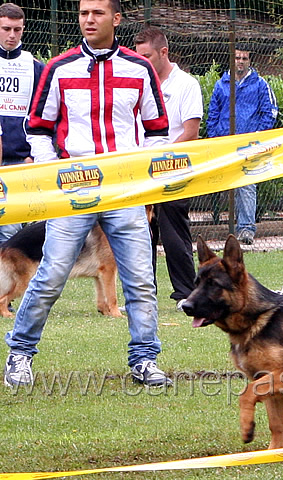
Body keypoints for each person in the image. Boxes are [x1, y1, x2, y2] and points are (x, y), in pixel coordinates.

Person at [4, 0, 172, 388]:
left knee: (140, 277)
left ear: (115, 19)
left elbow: (158, 131)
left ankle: (145, 359)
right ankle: (20, 354)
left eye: (97, 13)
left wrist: (143, 180)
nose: (89, 19)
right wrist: (57, 173)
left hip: (125, 189)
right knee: (50, 273)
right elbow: (39, 128)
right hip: (73, 190)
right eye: (83, 13)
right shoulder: (59, 68)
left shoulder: (140, 68)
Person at [134, 27, 202, 311]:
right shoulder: (137, 83)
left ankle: (186, 294)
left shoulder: (187, 85)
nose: (143, 62)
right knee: (138, 232)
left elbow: (191, 132)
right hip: (139, 171)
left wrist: (161, 158)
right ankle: (141, 296)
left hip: (175, 170)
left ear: (164, 52)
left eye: (147, 56)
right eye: (139, 57)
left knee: (174, 231)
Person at [206, 45, 278, 245]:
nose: (240, 61)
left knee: (246, 185)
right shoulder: (221, 85)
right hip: (224, 145)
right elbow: (212, 113)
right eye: (237, 57)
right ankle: (217, 226)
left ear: (250, 61)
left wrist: (257, 136)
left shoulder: (261, 85)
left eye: (245, 58)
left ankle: (246, 229)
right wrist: (215, 137)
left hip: (249, 146)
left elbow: (271, 112)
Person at [0, 2, 44, 242]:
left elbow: (46, 116)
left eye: (17, 29)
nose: (12, 35)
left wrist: (33, 156)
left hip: (19, 160)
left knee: (10, 231)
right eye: (6, 29)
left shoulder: (35, 67)